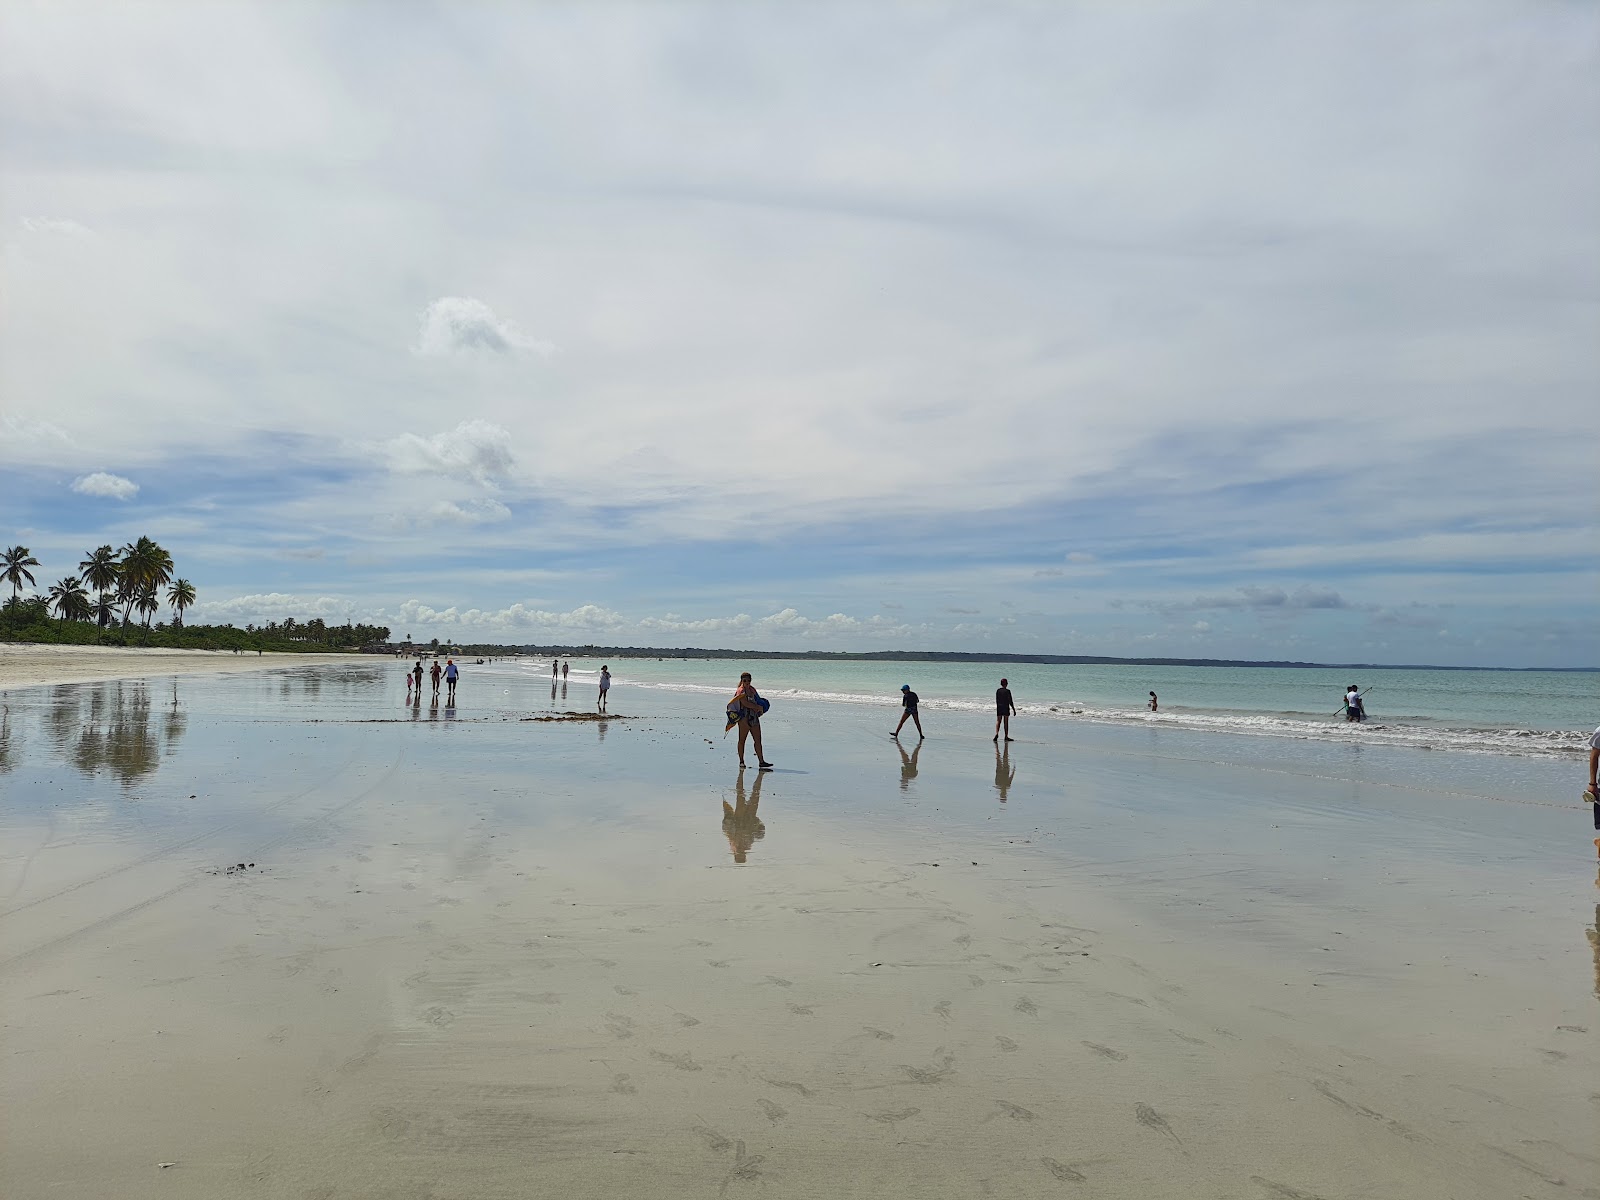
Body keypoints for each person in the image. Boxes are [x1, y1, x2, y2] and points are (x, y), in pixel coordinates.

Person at [729, 672, 772, 769]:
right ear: (742, 681)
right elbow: (744, 703)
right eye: (745, 681)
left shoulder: (752, 690)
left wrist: (762, 708)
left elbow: (758, 700)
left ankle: (761, 761)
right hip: (744, 717)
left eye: (748, 680)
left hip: (754, 716)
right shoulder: (741, 691)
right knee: (742, 740)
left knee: (758, 740)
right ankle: (741, 761)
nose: (747, 682)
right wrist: (758, 707)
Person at [994, 677, 1016, 742]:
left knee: (998, 721)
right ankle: (1006, 736)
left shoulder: (998, 691)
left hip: (999, 707)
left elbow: (997, 700)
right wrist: (1013, 709)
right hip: (1005, 707)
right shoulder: (1008, 691)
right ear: (1006, 684)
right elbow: (1010, 701)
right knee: (1005, 722)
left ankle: (996, 733)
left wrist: (998, 706)